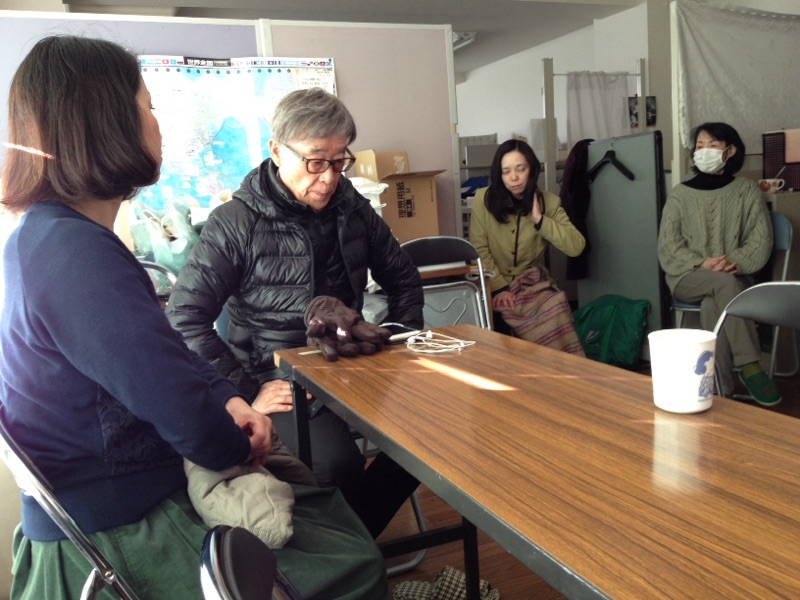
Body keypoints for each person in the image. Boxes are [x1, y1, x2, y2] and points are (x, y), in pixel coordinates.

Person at [0, 35, 388, 599]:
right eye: (149, 106)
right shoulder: (73, 253)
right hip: (122, 527)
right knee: (355, 562)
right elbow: (181, 403)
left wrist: (227, 399)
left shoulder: (48, 238)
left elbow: (163, 358)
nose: (158, 125)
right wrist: (237, 436)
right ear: (106, 124)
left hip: (116, 502)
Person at [166, 87, 424, 538]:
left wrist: (395, 347)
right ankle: (349, 552)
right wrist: (246, 393)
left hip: (348, 363)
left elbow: (403, 279)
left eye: (339, 162)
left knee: (430, 437)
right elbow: (185, 317)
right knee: (336, 465)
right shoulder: (236, 222)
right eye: (315, 161)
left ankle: (351, 545)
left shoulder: (352, 208)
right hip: (278, 377)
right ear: (276, 151)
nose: (328, 178)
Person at [657, 122, 779, 406]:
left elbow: (760, 241)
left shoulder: (746, 190)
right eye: (699, 146)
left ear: (730, 150)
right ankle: (750, 366)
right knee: (723, 286)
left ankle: (719, 387)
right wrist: (702, 263)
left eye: (712, 145)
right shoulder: (680, 194)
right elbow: (669, 245)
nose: (704, 151)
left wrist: (730, 263)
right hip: (687, 276)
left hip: (732, 277)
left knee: (715, 302)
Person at [469, 139, 586, 354]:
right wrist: (500, 288)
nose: (514, 177)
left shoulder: (549, 202)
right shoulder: (482, 199)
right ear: (499, 174)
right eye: (506, 171)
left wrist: (539, 220)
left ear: (531, 170)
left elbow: (576, 246)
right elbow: (479, 249)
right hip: (493, 282)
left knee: (556, 307)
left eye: (520, 169)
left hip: (532, 284)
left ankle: (561, 370)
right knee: (500, 325)